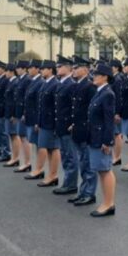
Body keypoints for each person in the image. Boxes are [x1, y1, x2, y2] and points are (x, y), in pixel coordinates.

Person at [88, 63, 117, 217]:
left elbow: (109, 120)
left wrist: (107, 141)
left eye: (97, 74)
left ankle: (109, 203)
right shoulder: (99, 92)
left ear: (105, 77)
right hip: (95, 136)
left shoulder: (107, 94)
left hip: (101, 138)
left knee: (105, 170)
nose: (94, 76)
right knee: (101, 170)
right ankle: (107, 202)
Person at [68, 56, 97, 206]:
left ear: (85, 69)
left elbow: (92, 112)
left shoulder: (90, 87)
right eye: (73, 68)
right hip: (78, 129)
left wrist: (86, 127)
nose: (73, 70)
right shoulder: (77, 85)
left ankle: (89, 193)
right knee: (83, 163)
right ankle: (83, 191)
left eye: (76, 68)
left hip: (86, 131)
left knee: (88, 163)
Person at [52, 55, 80, 196]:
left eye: (59, 66)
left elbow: (74, 107)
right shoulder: (62, 83)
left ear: (68, 68)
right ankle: (68, 182)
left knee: (70, 156)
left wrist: (72, 123)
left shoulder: (71, 84)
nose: (57, 68)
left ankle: (71, 184)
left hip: (67, 125)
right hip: (61, 125)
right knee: (64, 155)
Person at [35, 59, 61, 187]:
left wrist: (56, 123)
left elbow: (56, 106)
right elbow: (42, 105)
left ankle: (53, 175)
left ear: (50, 69)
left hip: (51, 121)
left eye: (44, 68)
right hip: (45, 120)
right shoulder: (46, 83)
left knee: (54, 148)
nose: (41, 70)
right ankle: (51, 174)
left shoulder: (55, 84)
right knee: (49, 148)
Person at [22, 60, 43, 177]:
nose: (29, 70)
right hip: (30, 116)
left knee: (39, 145)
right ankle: (37, 167)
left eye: (31, 68)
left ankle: (39, 169)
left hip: (35, 118)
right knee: (35, 143)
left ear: (37, 69)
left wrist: (37, 121)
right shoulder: (32, 81)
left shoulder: (39, 82)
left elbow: (38, 103)